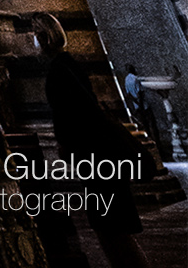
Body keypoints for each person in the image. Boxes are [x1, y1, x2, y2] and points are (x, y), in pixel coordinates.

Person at [32, 16, 148, 268]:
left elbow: (73, 112)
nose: (32, 40)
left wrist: (65, 144)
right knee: (109, 227)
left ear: (44, 37)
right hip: (98, 153)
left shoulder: (59, 70)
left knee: (113, 229)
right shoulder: (69, 64)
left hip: (97, 155)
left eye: (35, 34)